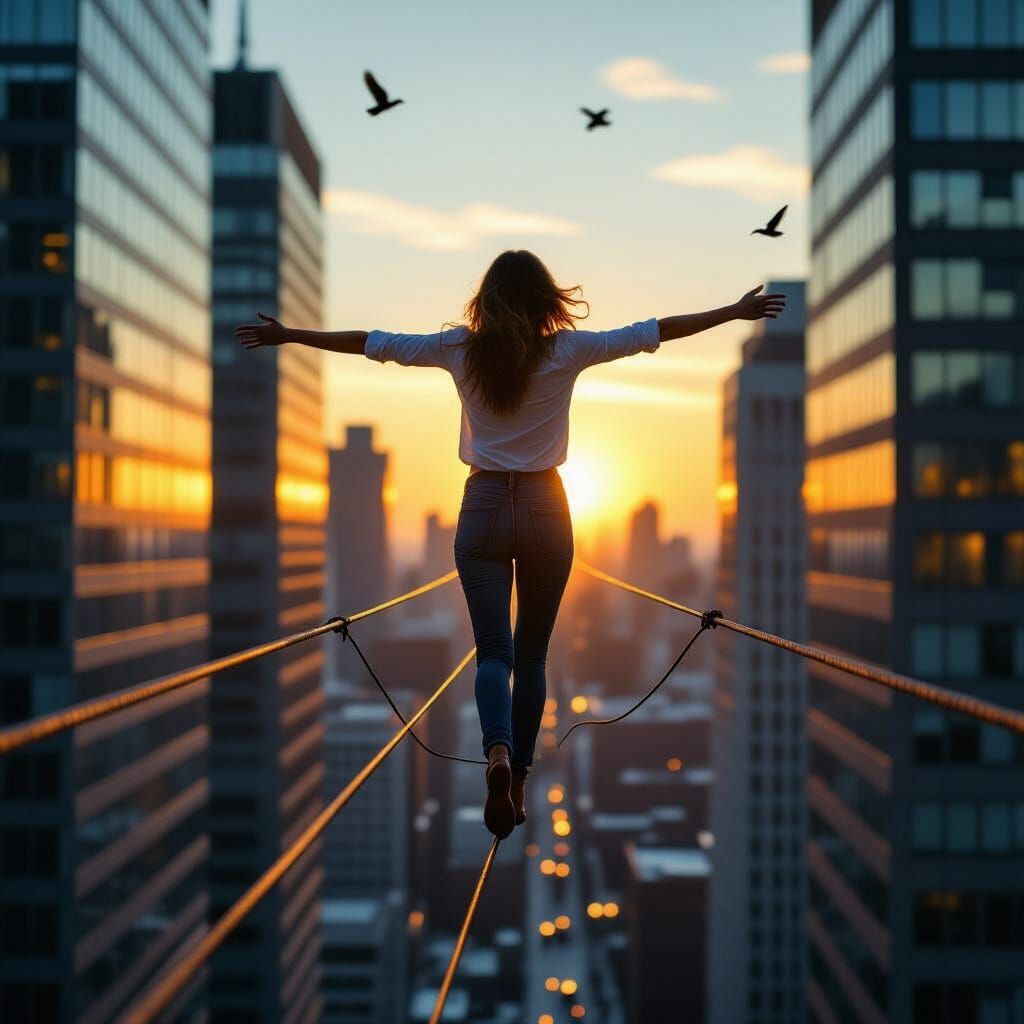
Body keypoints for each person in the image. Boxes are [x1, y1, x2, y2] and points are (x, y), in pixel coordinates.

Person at [235, 250, 785, 839]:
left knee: (492, 653)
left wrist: (290, 335)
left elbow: (373, 342)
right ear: (546, 297)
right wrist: (734, 311)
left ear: (486, 297)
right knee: (534, 657)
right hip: (548, 510)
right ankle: (519, 779)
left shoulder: (459, 349)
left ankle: (494, 753)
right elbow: (655, 332)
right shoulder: (567, 349)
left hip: (484, 508)